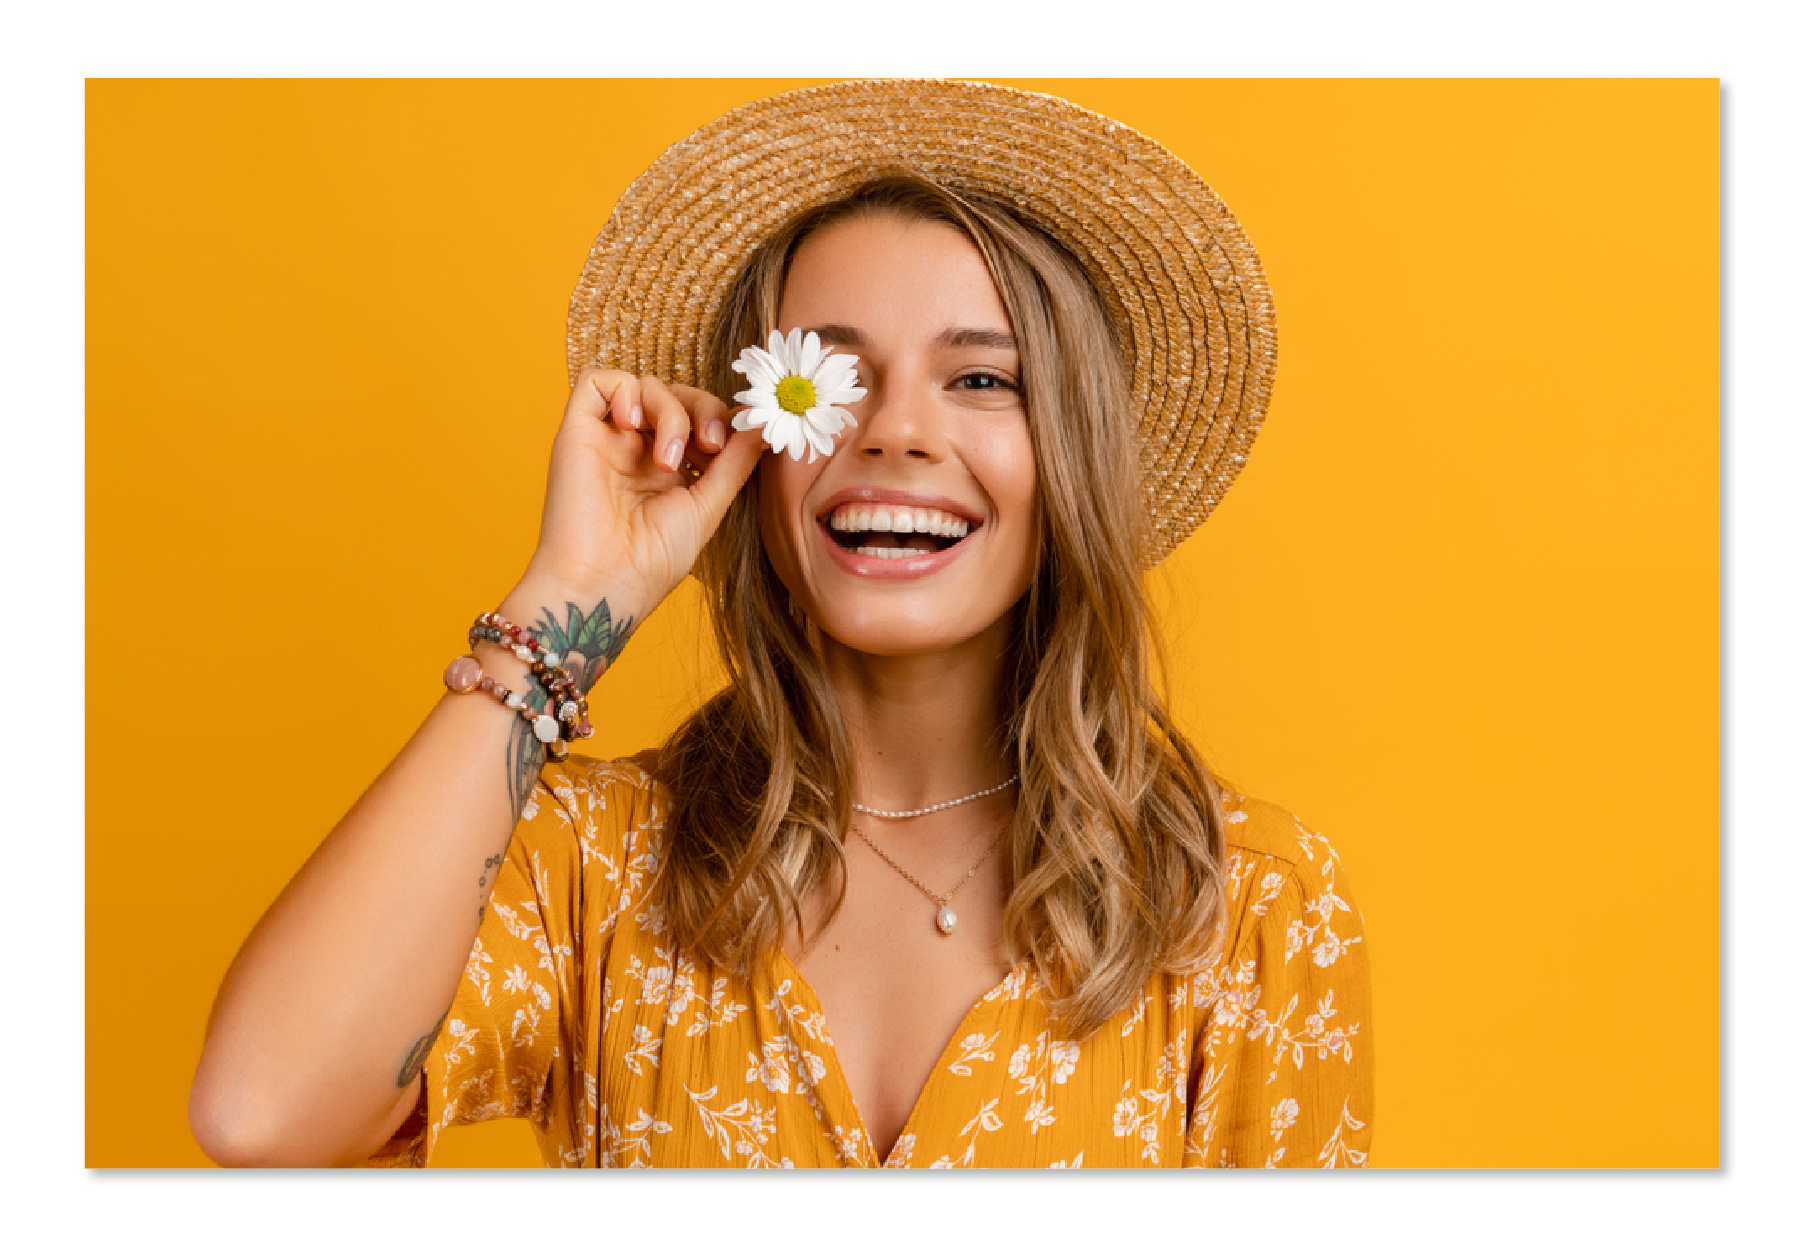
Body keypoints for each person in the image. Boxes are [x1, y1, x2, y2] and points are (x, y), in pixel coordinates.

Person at [188, 79, 1373, 1169]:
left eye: (982, 379)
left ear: (1072, 456)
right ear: (751, 442)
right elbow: (261, 1115)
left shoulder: (1251, 902)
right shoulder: (590, 867)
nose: (893, 431)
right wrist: (566, 595)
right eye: (831, 380)